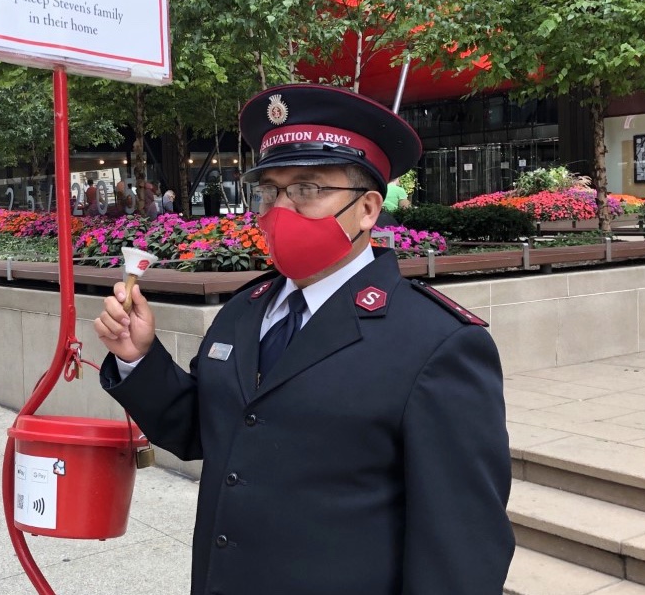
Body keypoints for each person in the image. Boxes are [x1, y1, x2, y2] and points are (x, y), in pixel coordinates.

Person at [94, 84, 513, 595]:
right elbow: (203, 430)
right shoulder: (244, 312)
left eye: (309, 189)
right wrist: (140, 358)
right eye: (269, 191)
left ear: (367, 209)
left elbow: (462, 549)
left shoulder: (436, 343)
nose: (281, 209)